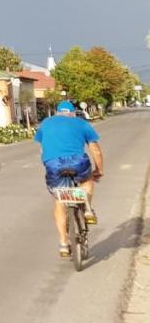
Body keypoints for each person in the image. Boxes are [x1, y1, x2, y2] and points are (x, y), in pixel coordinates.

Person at [35, 100, 102, 258]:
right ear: (73, 113)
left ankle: (64, 243)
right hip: (77, 161)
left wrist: (48, 162)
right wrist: (99, 170)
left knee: (59, 199)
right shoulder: (81, 123)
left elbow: (42, 147)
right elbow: (95, 149)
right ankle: (87, 209)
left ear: (57, 112)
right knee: (87, 180)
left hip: (53, 164)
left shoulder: (46, 123)